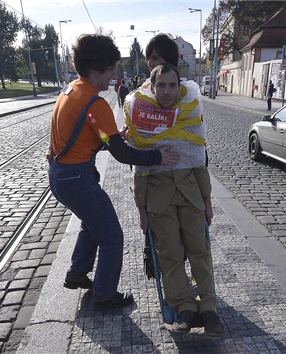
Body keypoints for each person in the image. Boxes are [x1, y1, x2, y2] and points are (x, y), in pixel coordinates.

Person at [47, 34, 180, 311]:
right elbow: (122, 154)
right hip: (78, 179)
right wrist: (157, 155)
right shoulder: (94, 103)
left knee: (92, 223)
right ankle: (105, 295)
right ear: (96, 69)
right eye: (111, 69)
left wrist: (116, 135)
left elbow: (91, 136)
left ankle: (77, 273)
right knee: (111, 237)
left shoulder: (72, 90)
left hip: (61, 176)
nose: (114, 75)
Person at [124, 63, 224, 337]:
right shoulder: (143, 118)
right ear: (152, 87)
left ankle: (209, 309)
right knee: (170, 256)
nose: (167, 91)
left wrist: (207, 200)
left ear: (179, 86)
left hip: (190, 195)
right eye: (161, 85)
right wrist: (142, 210)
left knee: (200, 252)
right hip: (159, 200)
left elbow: (198, 161)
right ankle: (184, 308)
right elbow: (139, 170)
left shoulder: (188, 111)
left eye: (172, 85)